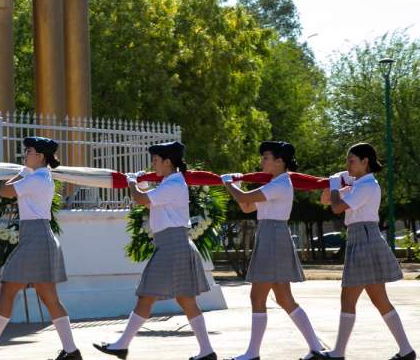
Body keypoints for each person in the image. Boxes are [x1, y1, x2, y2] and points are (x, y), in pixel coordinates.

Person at [0, 136, 82, 360]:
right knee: (47, 297)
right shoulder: (39, 176)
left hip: (36, 239)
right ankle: (71, 351)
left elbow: (4, 191)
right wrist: (25, 171)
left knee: (13, 289)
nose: (25, 154)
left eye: (28, 151)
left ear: (40, 156)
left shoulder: (36, 178)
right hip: (36, 238)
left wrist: (22, 172)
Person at [95, 141, 215, 360]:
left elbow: (141, 200)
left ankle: (122, 345)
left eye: (156, 160)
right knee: (186, 300)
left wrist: (132, 183)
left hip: (172, 246)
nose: (153, 164)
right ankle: (207, 351)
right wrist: (140, 185)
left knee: (146, 296)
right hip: (174, 244)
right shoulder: (172, 182)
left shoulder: (173, 183)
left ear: (168, 162)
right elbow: (152, 202)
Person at [222, 141, 322, 360]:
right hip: (271, 234)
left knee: (257, 296)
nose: (261, 161)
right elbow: (247, 206)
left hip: (273, 237)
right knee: (285, 299)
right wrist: (233, 185)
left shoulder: (280, 184)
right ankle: (316, 349)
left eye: (265, 157)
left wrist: (228, 182)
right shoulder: (275, 183)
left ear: (279, 161)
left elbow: (244, 198)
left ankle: (252, 353)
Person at [314, 143, 414, 360]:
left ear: (365, 162)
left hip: (364, 238)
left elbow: (337, 207)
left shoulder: (367, 185)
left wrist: (335, 188)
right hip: (361, 238)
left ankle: (338, 353)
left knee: (348, 298)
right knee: (379, 300)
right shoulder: (356, 183)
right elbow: (325, 199)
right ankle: (406, 351)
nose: (347, 165)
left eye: (351, 161)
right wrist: (334, 184)